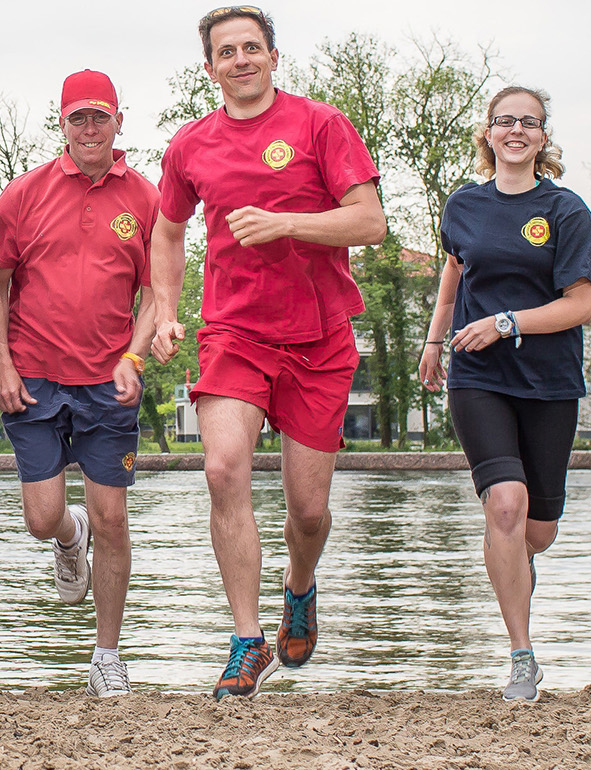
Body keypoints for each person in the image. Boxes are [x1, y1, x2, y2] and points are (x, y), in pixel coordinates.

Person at [150, 6, 387, 699]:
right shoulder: (190, 146)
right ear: (210, 68)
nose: (241, 59)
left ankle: (301, 586)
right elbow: (166, 233)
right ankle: (246, 641)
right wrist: (166, 309)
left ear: (274, 57)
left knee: (307, 513)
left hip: (318, 337)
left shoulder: (320, 124)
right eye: (227, 52)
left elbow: (370, 220)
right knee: (224, 470)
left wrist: (288, 222)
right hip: (233, 332)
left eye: (252, 47)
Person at [416, 86, 591, 702]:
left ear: (543, 137)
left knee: (536, 531)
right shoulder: (463, 204)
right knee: (505, 505)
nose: (517, 130)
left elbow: (582, 303)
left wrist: (508, 322)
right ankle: (522, 654)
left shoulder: (567, 210)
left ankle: (518, 563)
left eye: (530, 122)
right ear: (488, 134)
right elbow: (453, 275)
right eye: (505, 121)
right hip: (479, 378)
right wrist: (434, 342)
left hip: (548, 382)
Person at [0, 69, 160, 697]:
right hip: (33, 376)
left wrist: (134, 358)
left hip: (108, 386)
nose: (90, 128)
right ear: (61, 124)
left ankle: (106, 656)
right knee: (43, 517)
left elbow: (155, 294)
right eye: (77, 117)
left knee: (112, 515)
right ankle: (67, 537)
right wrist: (1, 361)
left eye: (100, 116)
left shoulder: (145, 197)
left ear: (119, 121)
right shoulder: (24, 194)